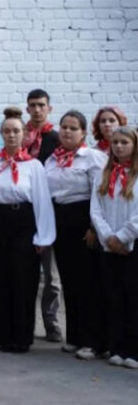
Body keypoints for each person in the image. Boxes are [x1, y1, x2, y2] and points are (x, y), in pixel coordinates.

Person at [0, 107, 55, 353]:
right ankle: (1, 335)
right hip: (0, 221)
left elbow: (42, 201)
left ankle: (21, 336)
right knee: (0, 277)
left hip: (24, 223)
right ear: (1, 134)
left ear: (24, 134)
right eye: (7, 131)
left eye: (16, 131)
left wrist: (43, 236)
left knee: (24, 279)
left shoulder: (34, 166)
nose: (11, 135)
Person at [45, 110, 108, 360]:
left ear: (83, 132)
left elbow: (100, 194)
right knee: (69, 281)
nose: (67, 132)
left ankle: (94, 341)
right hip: (60, 222)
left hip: (84, 220)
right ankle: (76, 336)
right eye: (64, 127)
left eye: (73, 128)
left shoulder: (93, 158)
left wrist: (94, 227)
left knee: (89, 283)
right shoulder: (53, 160)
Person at [90, 126, 138, 369]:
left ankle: (134, 350)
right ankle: (117, 348)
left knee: (133, 297)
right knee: (114, 297)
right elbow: (95, 209)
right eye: (115, 142)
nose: (118, 146)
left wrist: (123, 236)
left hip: (132, 244)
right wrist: (108, 236)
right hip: (109, 245)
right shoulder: (103, 173)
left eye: (124, 142)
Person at [24, 88, 62, 343]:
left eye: (41, 105)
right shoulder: (20, 135)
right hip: (24, 215)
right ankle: (25, 323)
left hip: (51, 212)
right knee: (25, 273)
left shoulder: (58, 139)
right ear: (27, 109)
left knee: (52, 276)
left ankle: (51, 323)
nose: (37, 109)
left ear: (49, 108)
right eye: (33, 105)